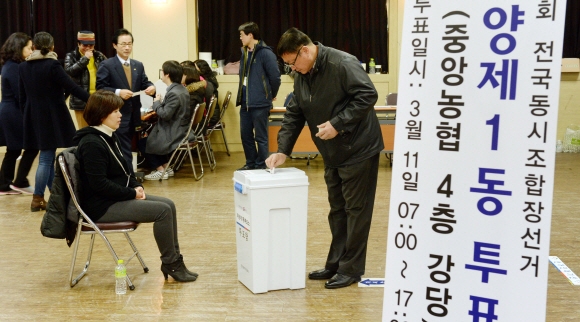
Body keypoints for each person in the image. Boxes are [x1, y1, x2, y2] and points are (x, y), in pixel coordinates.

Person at [267, 27, 384, 289]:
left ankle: (351, 269)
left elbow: (367, 94)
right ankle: (335, 264)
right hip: (333, 152)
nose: (292, 69)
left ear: (305, 50)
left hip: (359, 149)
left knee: (356, 211)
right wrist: (282, 150)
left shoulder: (342, 63)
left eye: (292, 63)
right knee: (338, 211)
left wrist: (338, 124)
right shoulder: (302, 74)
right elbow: (294, 114)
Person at [73, 90, 197, 282]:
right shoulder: (91, 143)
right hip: (100, 206)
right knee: (162, 212)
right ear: (101, 114)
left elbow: (124, 172)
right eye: (115, 111)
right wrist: (131, 193)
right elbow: (99, 185)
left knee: (169, 205)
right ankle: (170, 264)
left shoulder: (108, 136)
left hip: (112, 198)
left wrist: (136, 186)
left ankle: (175, 261)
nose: (120, 114)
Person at [19, 31, 90, 211]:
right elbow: (72, 87)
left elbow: (22, 98)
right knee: (45, 158)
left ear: (34, 47)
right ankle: (37, 198)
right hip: (51, 116)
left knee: (48, 157)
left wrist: (28, 115)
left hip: (33, 116)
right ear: (52, 47)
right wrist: (93, 99)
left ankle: (55, 195)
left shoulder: (23, 67)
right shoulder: (52, 65)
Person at [96, 28, 155, 168]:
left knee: (129, 145)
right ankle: (128, 176)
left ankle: (127, 175)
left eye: (129, 44)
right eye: (123, 44)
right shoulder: (107, 65)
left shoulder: (138, 65)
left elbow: (145, 82)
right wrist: (118, 92)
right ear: (115, 45)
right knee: (123, 148)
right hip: (116, 113)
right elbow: (100, 88)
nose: (127, 47)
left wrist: (152, 87)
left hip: (134, 114)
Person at [235, 22, 281, 170]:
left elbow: (275, 77)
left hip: (260, 102)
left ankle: (262, 165)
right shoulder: (244, 53)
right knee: (245, 135)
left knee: (260, 137)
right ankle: (251, 164)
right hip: (245, 102)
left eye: (242, 35)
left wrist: (270, 94)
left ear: (250, 35)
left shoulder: (266, 53)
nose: (240, 38)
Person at [0, 32, 38, 195]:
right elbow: (21, 94)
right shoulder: (14, 67)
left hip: (11, 110)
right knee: (33, 145)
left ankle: (4, 184)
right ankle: (20, 181)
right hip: (14, 111)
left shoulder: (11, 65)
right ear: (19, 48)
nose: (31, 52)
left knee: (14, 149)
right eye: (29, 48)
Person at [143, 61, 190, 180]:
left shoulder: (174, 92)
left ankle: (160, 170)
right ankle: (165, 167)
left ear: (167, 74)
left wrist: (157, 102)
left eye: (162, 71)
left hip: (174, 131)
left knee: (143, 142)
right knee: (151, 137)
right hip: (180, 128)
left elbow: (165, 115)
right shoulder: (181, 89)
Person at [64, 30, 107, 129]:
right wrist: (84, 59)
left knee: (99, 129)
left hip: (98, 99)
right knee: (84, 130)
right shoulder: (71, 56)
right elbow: (69, 72)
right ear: (78, 44)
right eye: (85, 45)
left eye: (91, 45)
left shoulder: (99, 56)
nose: (88, 48)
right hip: (81, 101)